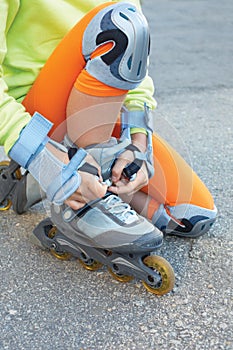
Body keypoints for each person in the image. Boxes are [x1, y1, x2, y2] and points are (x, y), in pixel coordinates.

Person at [0, 0, 217, 240]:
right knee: (119, 24)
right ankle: (79, 201)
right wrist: (42, 157)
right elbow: (123, 31)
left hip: (99, 109)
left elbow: (134, 58)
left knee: (192, 217)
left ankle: (89, 179)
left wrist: (139, 144)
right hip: (38, 115)